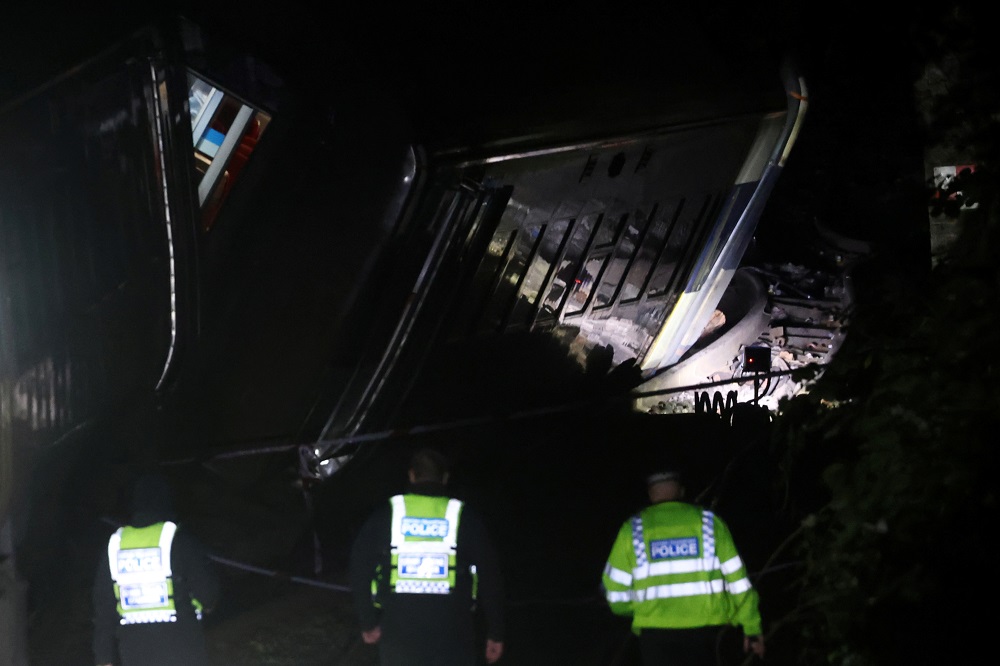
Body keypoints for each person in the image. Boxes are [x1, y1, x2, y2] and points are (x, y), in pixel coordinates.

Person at [349, 447, 505, 665]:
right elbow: (490, 576)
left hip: (398, 633)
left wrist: (368, 622)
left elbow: (360, 567)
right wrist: (495, 631)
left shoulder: (387, 513)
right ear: (445, 478)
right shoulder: (465, 517)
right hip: (454, 633)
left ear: (412, 476)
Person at [601, 469, 765, 665]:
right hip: (707, 636)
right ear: (681, 491)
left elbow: (615, 594)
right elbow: (738, 583)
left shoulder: (633, 530)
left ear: (651, 493)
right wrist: (752, 628)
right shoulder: (709, 523)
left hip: (656, 637)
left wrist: (641, 609)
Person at [92, 471, 220, 666]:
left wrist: (104, 658)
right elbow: (207, 594)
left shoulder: (116, 545)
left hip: (135, 649)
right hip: (182, 643)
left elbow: (103, 607)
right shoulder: (179, 540)